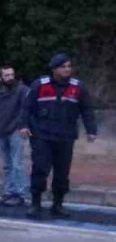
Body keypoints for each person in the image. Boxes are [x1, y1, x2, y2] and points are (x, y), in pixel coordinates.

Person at [17, 53, 99, 219]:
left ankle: (58, 204)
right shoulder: (40, 85)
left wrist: (91, 130)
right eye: (63, 67)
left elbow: (87, 110)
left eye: (69, 66)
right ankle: (35, 203)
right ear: (54, 69)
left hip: (65, 136)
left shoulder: (78, 87)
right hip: (42, 135)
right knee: (40, 169)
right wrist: (23, 125)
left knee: (62, 173)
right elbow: (26, 107)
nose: (67, 69)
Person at [0, 64, 29, 206]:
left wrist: (23, 125)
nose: (10, 77)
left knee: (17, 163)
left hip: (15, 130)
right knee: (6, 164)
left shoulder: (21, 90)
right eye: (7, 75)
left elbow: (27, 109)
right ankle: (8, 191)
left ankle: (20, 193)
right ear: (0, 77)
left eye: (12, 74)